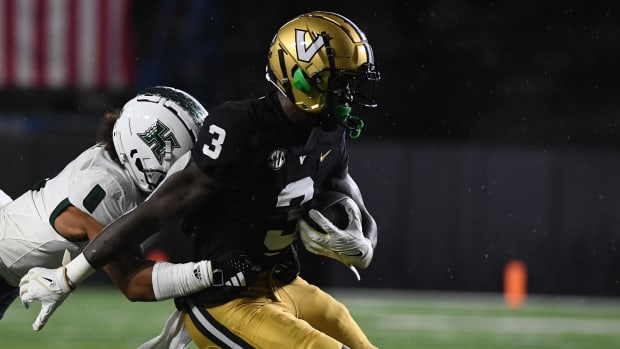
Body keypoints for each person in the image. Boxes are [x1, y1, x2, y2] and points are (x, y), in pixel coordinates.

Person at [19, 11, 380, 349]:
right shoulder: (240, 127)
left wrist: (364, 242)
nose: (347, 96)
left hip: (283, 282)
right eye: (339, 84)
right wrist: (70, 276)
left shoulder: (328, 131)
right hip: (226, 302)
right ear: (300, 76)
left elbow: (351, 200)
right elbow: (154, 211)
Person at [2, 86, 256, 331]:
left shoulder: (116, 167)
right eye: (186, 160)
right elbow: (134, 283)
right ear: (148, 155)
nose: (192, 169)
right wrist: (212, 272)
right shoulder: (108, 187)